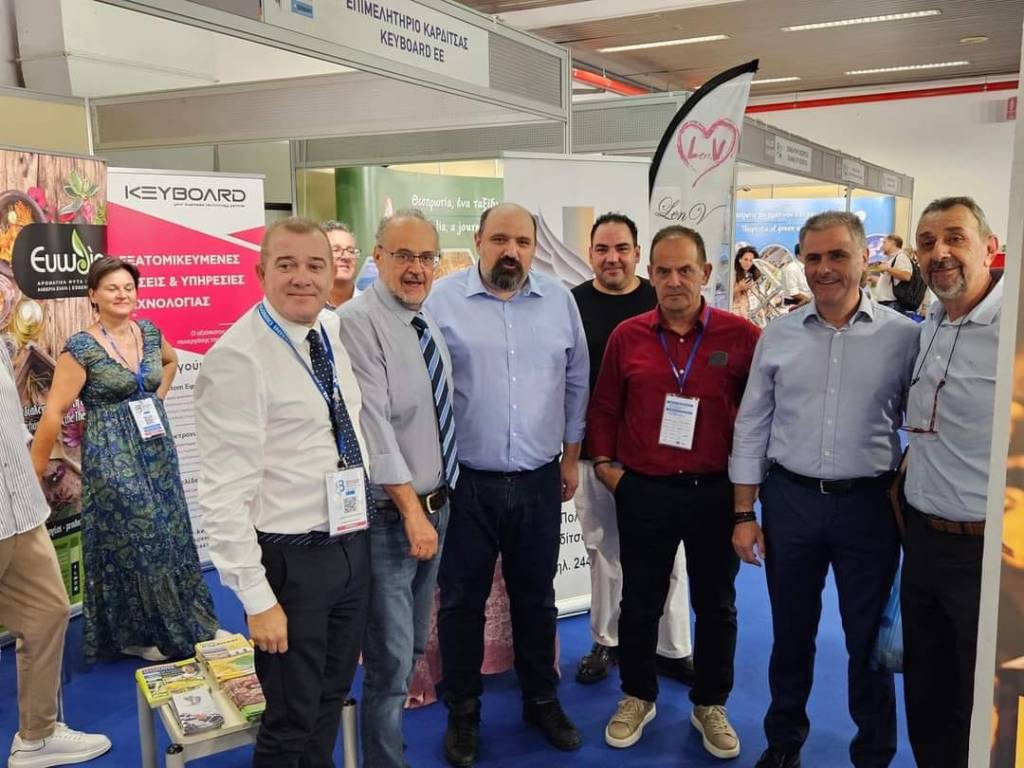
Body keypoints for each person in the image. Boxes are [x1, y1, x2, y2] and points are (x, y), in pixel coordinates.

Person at [731, 211, 919, 768]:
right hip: (790, 502)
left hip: (869, 507)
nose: (824, 268)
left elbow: (926, 422)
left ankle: (874, 753)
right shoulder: (779, 334)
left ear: (864, 258)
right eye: (812, 257)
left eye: (837, 255)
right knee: (791, 634)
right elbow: (752, 423)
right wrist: (744, 512)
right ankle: (783, 743)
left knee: (867, 641)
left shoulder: (903, 337)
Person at [195, 217, 371, 768]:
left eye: (315, 265)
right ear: (261, 272)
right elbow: (223, 496)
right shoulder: (238, 358)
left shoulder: (330, 330)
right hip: (291, 565)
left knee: (330, 698)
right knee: (290, 719)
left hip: (349, 544)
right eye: (287, 265)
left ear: (332, 271)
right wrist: (258, 599)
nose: (302, 277)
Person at [425, 202, 589, 767]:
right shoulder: (442, 300)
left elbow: (577, 381)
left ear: (535, 247)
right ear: (478, 241)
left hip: (540, 479)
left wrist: (571, 457)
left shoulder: (559, 300)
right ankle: (463, 712)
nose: (511, 251)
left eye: (522, 241)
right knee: (461, 602)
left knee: (536, 598)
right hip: (466, 483)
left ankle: (541, 700)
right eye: (499, 239)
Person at [588, 225, 760, 759]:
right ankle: (638, 696)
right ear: (650, 274)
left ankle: (710, 704)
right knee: (640, 603)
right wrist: (608, 469)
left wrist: (746, 500)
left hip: (715, 494)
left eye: (685, 270)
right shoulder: (628, 336)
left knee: (717, 606)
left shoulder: (740, 336)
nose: (674, 281)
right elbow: (605, 407)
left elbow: (759, 417)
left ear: (705, 273)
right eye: (663, 271)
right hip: (646, 492)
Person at [30, 257, 218, 663]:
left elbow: (171, 362)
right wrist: (33, 476)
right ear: (93, 295)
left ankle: (189, 620)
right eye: (112, 288)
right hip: (112, 455)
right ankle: (142, 633)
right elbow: (54, 413)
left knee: (172, 529)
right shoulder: (81, 348)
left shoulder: (149, 332)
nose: (122, 294)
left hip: (156, 449)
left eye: (128, 287)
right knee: (142, 537)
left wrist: (155, 399)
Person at [337, 209, 456, 768]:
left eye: (426, 257)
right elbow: (375, 428)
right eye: (403, 255)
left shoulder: (422, 319)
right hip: (395, 516)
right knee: (388, 662)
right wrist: (412, 512)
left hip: (435, 507)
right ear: (377, 257)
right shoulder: (357, 322)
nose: (416, 268)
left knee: (410, 646)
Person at [570, 212, 694, 687]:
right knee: (604, 551)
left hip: (660, 455)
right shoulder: (572, 304)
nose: (612, 258)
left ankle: (672, 647)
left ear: (637, 253)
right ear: (590, 254)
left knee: (672, 555)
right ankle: (607, 640)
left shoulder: (660, 298)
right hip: (595, 452)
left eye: (621, 248)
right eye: (602, 249)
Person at [901, 196, 1001, 768]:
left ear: (990, 247)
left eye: (955, 238)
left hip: (988, 553)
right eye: (927, 242)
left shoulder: (1013, 329)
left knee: (982, 699)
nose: (939, 252)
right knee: (927, 689)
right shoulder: (931, 324)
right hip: (922, 541)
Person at [2, 342, 112, 767]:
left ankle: (37, 737)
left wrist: (33, 463)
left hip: (21, 510)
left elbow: (11, 420)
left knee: (48, 611)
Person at [324, 220, 361, 309]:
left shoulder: (374, 307)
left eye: (351, 251)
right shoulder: (306, 308)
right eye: (336, 250)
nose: (346, 257)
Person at [874, 234, 913, 310]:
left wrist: (888, 269)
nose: (882, 246)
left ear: (893, 243)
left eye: (884, 242)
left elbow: (907, 276)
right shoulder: (890, 259)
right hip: (886, 304)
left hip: (892, 305)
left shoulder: (901, 257)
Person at [732, 245, 760, 319]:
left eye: (751, 260)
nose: (748, 263)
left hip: (750, 314)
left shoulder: (753, 276)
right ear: (740, 259)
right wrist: (739, 288)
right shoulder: (732, 274)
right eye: (746, 259)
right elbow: (724, 297)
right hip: (736, 314)